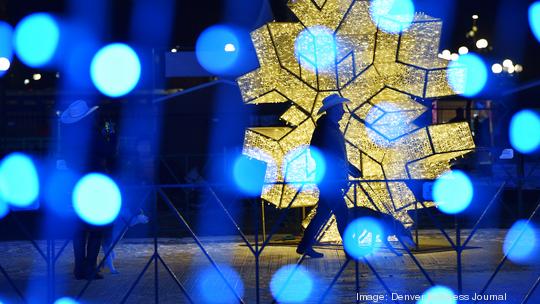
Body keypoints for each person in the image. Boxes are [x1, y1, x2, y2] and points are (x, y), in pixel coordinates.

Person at [296, 94, 362, 258]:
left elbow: (338, 155)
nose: (343, 112)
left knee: (322, 215)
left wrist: (350, 169)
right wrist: (338, 168)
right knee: (343, 214)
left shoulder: (330, 128)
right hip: (329, 181)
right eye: (340, 108)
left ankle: (304, 246)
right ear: (333, 110)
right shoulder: (325, 129)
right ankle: (350, 251)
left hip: (330, 180)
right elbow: (321, 153)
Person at [60, 100, 116, 280]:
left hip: (76, 185)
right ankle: (90, 268)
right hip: (94, 185)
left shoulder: (69, 138)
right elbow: (109, 150)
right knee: (96, 229)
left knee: (79, 229)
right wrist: (110, 130)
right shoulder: (92, 135)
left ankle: (79, 268)